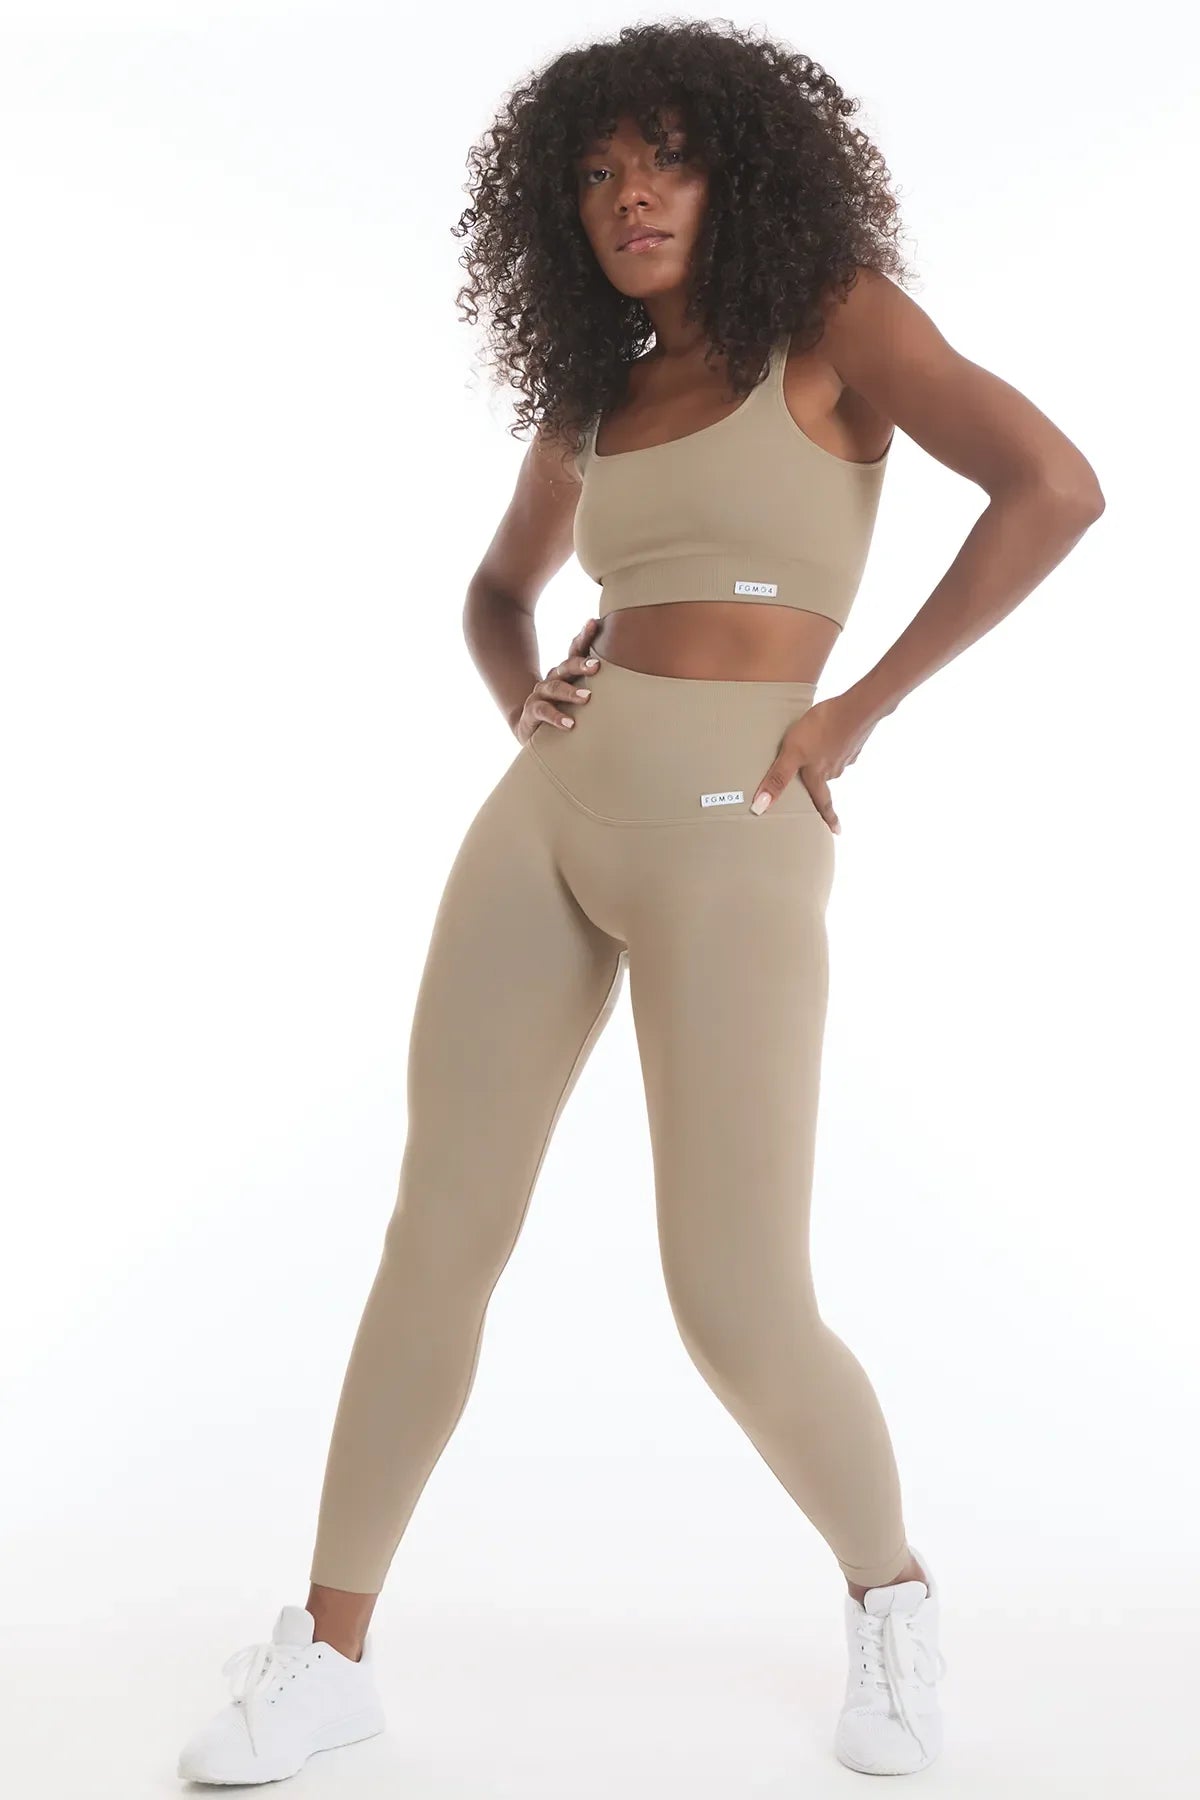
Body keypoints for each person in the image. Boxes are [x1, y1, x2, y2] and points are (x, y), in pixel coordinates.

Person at [177, 20, 1104, 1787]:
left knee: (733, 1296)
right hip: (548, 815)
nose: (630, 197)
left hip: (740, 819)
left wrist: (856, 708)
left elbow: (1054, 488)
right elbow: (494, 593)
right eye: (597, 174)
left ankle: (891, 1598)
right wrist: (521, 700)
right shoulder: (593, 397)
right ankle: (328, 1653)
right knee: (436, 1234)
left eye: (664, 158)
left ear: (738, 169)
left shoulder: (835, 326)